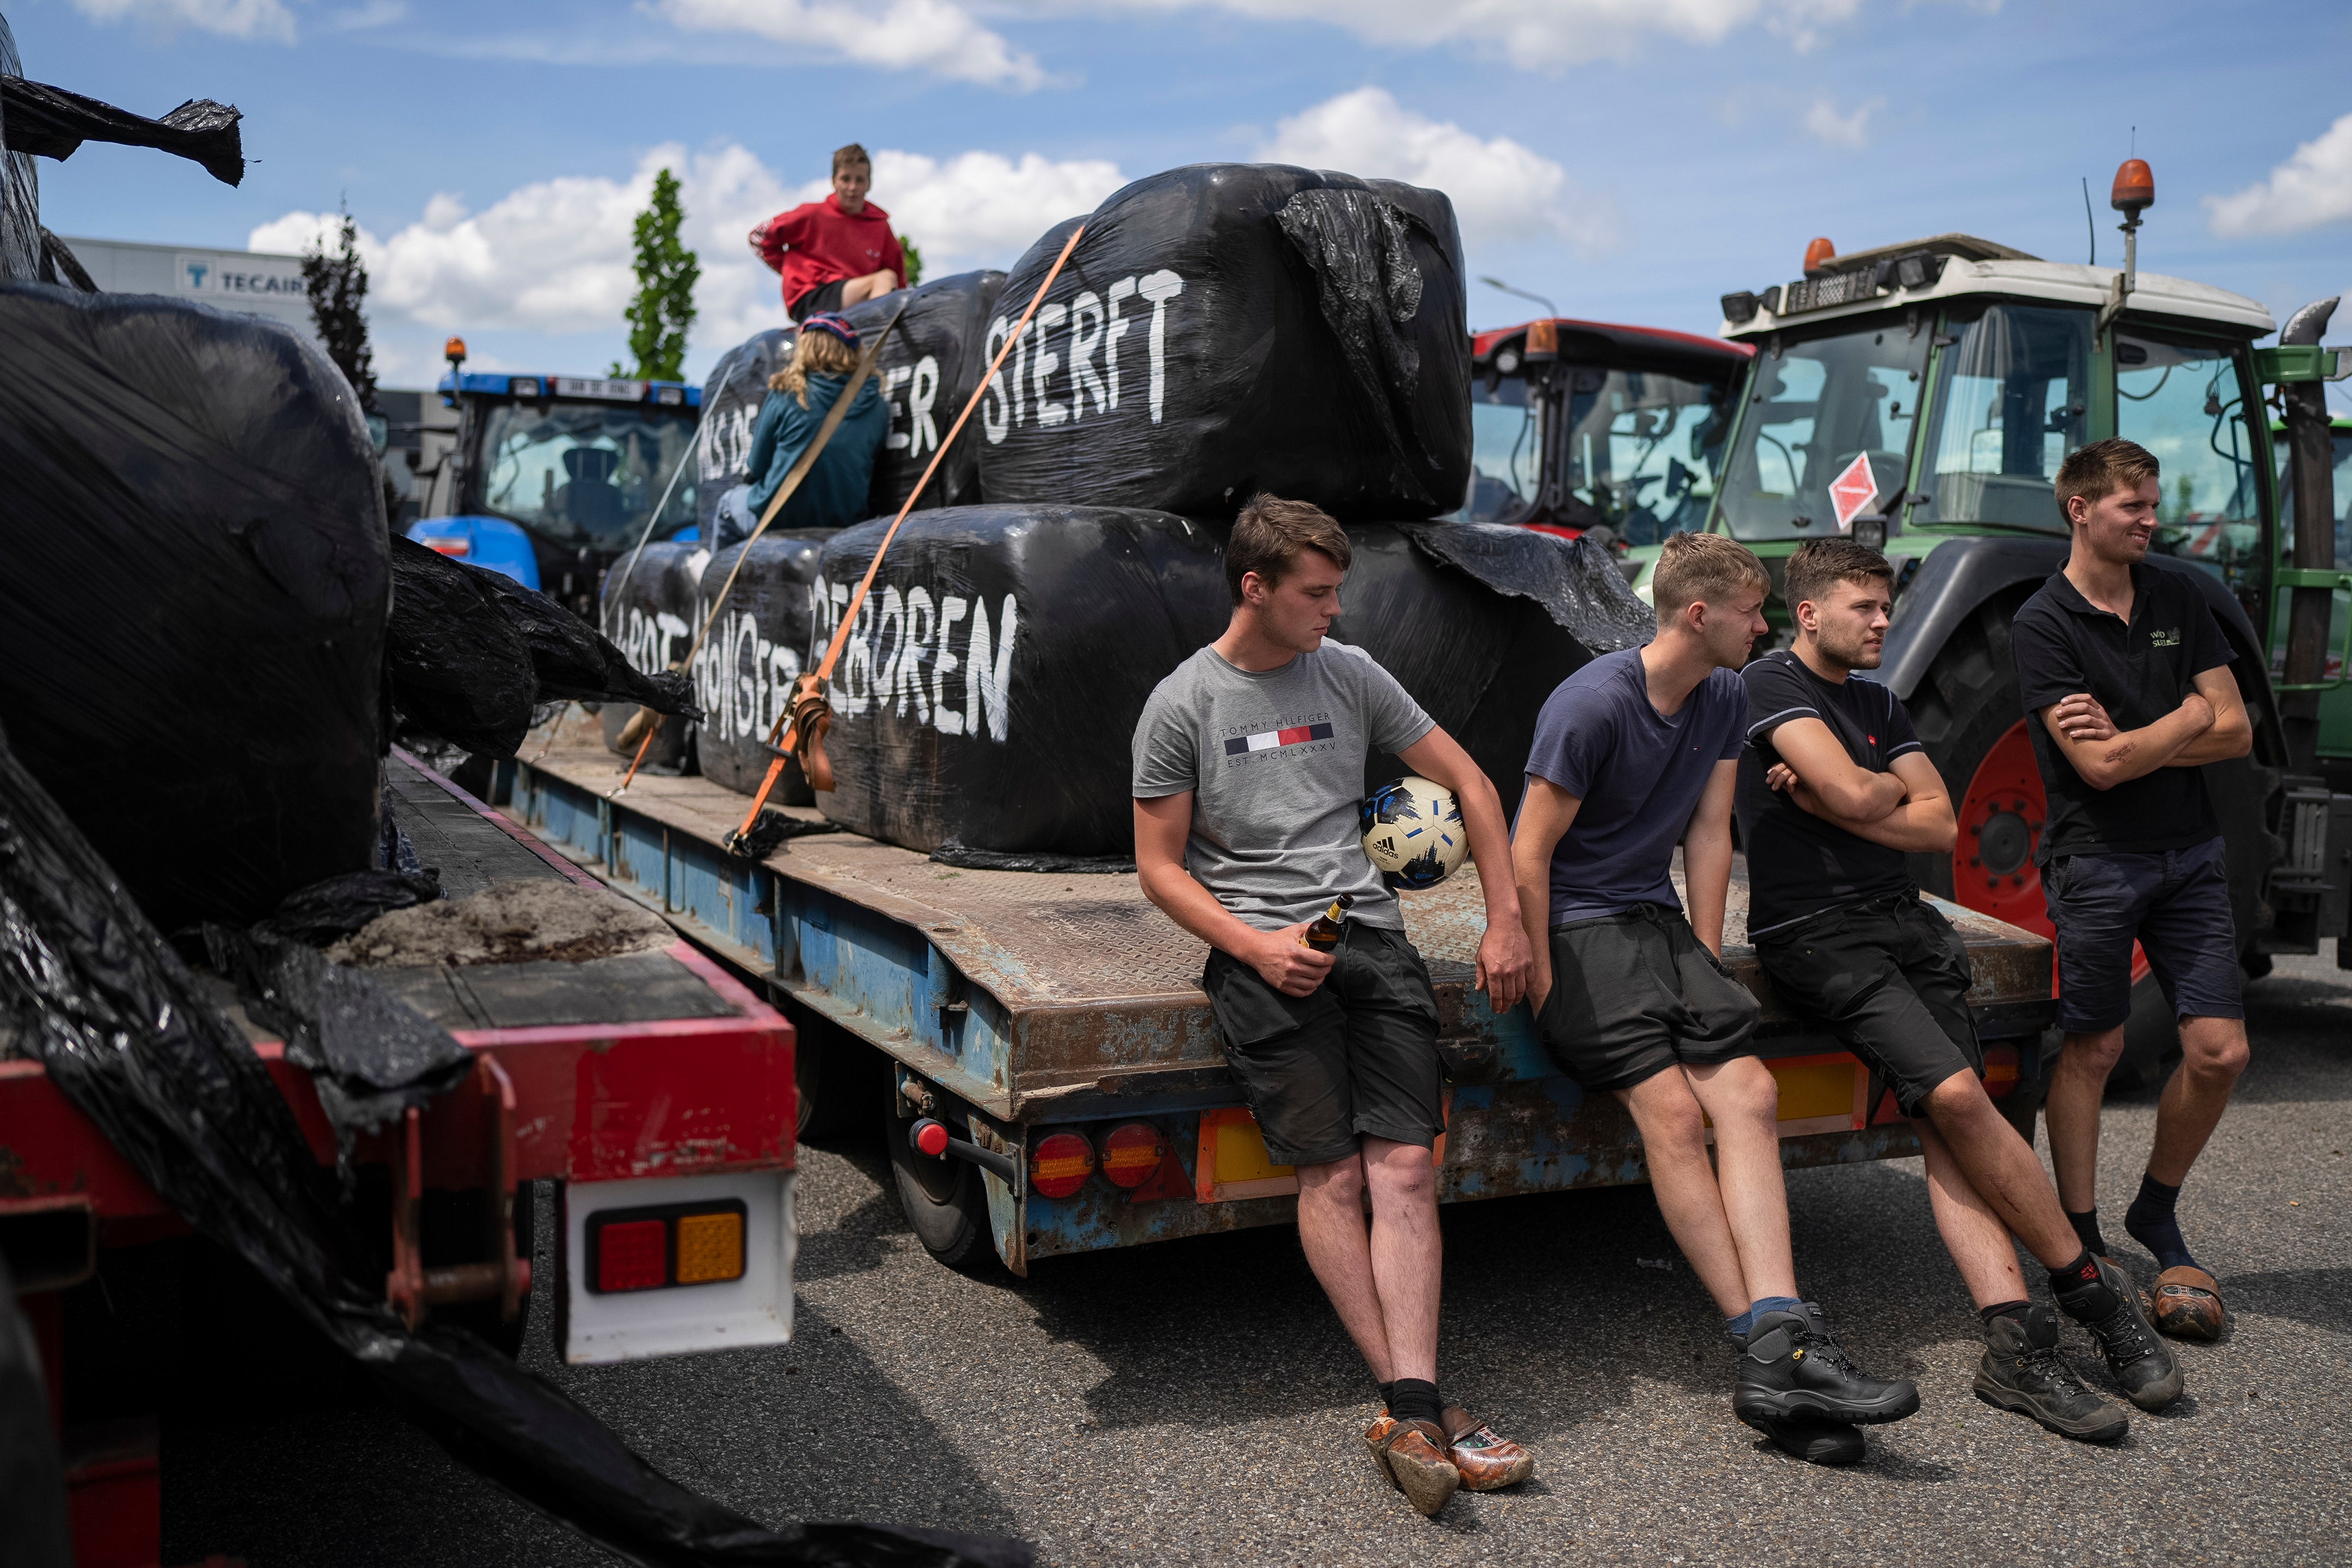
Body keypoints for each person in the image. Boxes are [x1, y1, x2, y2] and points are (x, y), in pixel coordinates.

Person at [1131, 495, 1535, 1518]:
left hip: (1373, 937)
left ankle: (1413, 1412)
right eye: (1316, 592)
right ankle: (1420, 1409)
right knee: (1334, 1175)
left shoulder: (1350, 673)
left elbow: (1475, 786)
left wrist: (1505, 920)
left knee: (1405, 1163)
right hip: (1264, 954)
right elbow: (1159, 869)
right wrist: (1254, 947)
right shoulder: (1182, 704)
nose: (1334, 608)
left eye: (1338, 588)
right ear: (1254, 588)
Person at [1738, 537, 2172, 1442]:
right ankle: (2090, 1293)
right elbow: (1865, 800)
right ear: (1809, 612)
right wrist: (1854, 798)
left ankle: (2014, 1344)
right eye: (1864, 607)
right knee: (1960, 1098)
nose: (1884, 621)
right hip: (1817, 937)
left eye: (1886, 606)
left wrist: (1834, 799)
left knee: (1953, 1130)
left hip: (1906, 924)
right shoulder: (1771, 687)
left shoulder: (1878, 701)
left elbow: (1935, 820)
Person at [1509, 531, 1919, 1468]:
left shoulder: (1727, 691)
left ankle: (1784, 1337)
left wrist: (1703, 954)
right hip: (1577, 927)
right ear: (1700, 615)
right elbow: (1530, 854)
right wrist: (1538, 973)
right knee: (1669, 1112)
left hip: (1655, 925)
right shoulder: (1591, 705)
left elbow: (1706, 827)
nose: (1765, 627)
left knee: (1751, 1094)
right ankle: (1773, 1350)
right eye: (1752, 611)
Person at [2011, 437, 2253, 1344]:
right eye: (2133, 506)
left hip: (2189, 854)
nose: (2153, 519)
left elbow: (2233, 734)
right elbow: (2099, 770)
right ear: (2080, 508)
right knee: (2095, 1046)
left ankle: (2157, 1211)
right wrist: (2186, 713)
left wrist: (2153, 734)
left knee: (2221, 1051)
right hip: (2098, 858)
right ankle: (2077, 1230)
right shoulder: (2042, 624)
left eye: (2151, 503)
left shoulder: (2179, 596)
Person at [712, 314, 887, 549]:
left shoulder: (788, 392)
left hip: (779, 516)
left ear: (805, 348)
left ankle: (717, 584)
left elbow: (757, 464)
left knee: (727, 503)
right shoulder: (878, 406)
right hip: (845, 521)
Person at [749, 143, 905, 325]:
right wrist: (792, 270)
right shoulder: (811, 215)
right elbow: (758, 238)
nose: (853, 187)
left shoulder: (880, 227)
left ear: (869, 183)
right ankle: (874, 339)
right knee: (884, 279)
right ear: (834, 181)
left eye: (860, 180)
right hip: (812, 296)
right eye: (846, 179)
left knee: (889, 283)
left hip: (856, 299)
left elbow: (900, 281)